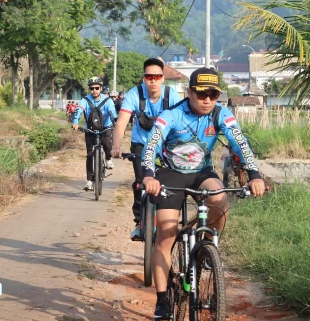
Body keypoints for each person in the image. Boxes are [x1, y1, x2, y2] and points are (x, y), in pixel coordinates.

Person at [139, 67, 266, 319]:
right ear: (189, 93)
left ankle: (208, 246)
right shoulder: (171, 115)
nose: (207, 99)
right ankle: (162, 300)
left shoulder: (222, 114)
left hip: (202, 173)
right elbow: (151, 144)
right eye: (201, 93)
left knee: (219, 197)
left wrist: (254, 175)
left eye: (213, 94)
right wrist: (148, 174)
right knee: (166, 232)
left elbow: (240, 143)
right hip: (169, 173)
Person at [110, 58, 181, 241]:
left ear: (163, 78)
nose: (153, 80)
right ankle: (139, 221)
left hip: (166, 146)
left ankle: (170, 218)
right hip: (141, 144)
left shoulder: (171, 95)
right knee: (141, 182)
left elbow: (181, 124)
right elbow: (122, 122)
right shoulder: (135, 95)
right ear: (144, 78)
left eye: (157, 76)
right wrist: (116, 146)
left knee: (171, 182)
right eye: (149, 76)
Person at [73, 76, 118, 191]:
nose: (94, 90)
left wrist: (115, 122)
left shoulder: (107, 101)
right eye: (92, 88)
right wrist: (75, 121)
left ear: (101, 88)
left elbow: (112, 113)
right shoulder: (85, 100)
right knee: (89, 155)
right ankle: (89, 181)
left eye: (97, 88)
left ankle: (108, 159)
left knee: (108, 144)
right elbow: (79, 109)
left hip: (105, 128)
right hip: (90, 130)